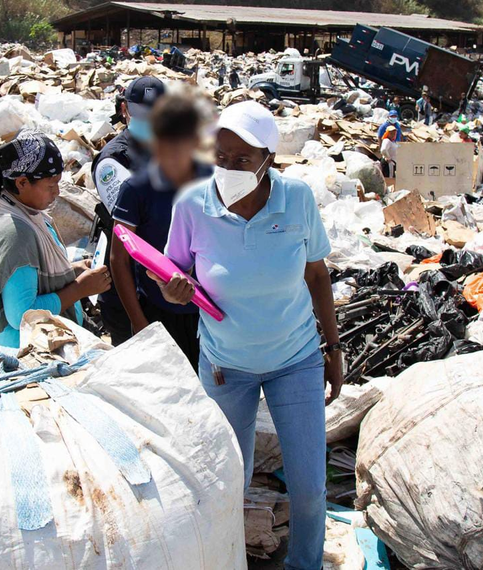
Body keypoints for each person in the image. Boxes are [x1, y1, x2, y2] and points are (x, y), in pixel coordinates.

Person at [151, 101, 342, 569]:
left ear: (268, 161)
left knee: (309, 487)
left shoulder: (296, 199)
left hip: (294, 361)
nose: (229, 168)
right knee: (223, 483)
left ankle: (305, 564)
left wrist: (334, 349)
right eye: (221, 156)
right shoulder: (192, 204)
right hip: (224, 367)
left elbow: (318, 276)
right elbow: (170, 273)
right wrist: (175, 291)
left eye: (242, 160)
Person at [0, 130, 111, 348]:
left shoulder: (28, 213)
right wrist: (79, 289)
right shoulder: (15, 232)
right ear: (22, 183)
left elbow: (33, 273)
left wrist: (72, 271)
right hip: (26, 352)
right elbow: (21, 315)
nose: (57, 192)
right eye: (51, 185)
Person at [110, 94, 210, 369]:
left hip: (211, 314)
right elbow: (119, 258)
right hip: (160, 313)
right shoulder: (136, 188)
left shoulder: (213, 180)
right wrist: (139, 322)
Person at [90, 76, 166, 346]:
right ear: (125, 110)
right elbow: (137, 234)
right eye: (141, 113)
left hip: (167, 290)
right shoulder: (113, 161)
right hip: (129, 293)